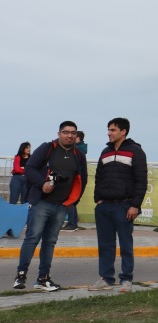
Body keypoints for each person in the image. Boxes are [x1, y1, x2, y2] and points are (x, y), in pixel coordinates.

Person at [13, 122, 88, 291]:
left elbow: (83, 179)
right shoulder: (48, 148)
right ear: (59, 133)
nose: (69, 135)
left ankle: (43, 278)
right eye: (66, 132)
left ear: (77, 136)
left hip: (62, 206)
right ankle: (21, 275)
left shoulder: (79, 155)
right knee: (32, 238)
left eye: (73, 133)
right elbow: (30, 168)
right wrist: (42, 184)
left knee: (50, 242)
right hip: (41, 202)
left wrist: (74, 201)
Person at [89, 118, 147, 293]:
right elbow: (98, 177)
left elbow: (141, 180)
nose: (109, 133)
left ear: (123, 131)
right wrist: (98, 199)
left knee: (125, 244)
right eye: (108, 129)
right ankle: (106, 279)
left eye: (113, 130)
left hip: (124, 206)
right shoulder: (105, 152)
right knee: (105, 245)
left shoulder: (136, 151)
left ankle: (126, 279)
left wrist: (135, 205)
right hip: (104, 207)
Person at [62, 131, 88, 230]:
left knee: (70, 200)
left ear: (78, 138)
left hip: (74, 178)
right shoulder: (81, 149)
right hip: (78, 178)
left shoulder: (76, 150)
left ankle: (72, 223)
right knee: (72, 200)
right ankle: (73, 222)